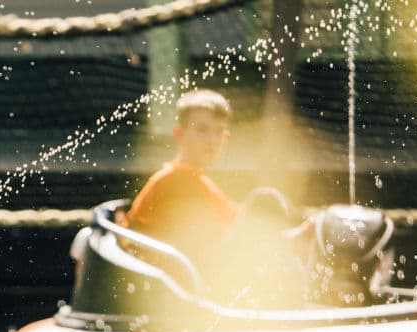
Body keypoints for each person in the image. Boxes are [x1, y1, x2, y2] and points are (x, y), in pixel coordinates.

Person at [125, 89, 310, 299]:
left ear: (226, 138)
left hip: (197, 278)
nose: (211, 140)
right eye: (202, 130)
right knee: (265, 200)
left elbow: (234, 223)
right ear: (179, 134)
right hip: (177, 291)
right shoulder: (176, 181)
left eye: (218, 132)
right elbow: (215, 249)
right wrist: (287, 241)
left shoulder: (202, 183)